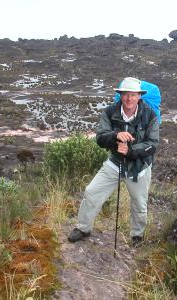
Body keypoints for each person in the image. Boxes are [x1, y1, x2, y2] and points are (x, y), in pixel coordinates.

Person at [68, 77, 160, 247]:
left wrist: (131, 151)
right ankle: (83, 228)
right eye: (125, 94)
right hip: (115, 162)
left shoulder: (150, 115)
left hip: (139, 167)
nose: (129, 99)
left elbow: (152, 145)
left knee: (139, 204)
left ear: (140, 96)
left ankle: (137, 235)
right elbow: (100, 138)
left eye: (133, 95)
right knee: (91, 192)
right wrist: (115, 136)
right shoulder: (110, 112)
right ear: (120, 95)